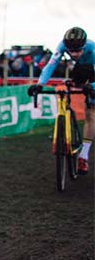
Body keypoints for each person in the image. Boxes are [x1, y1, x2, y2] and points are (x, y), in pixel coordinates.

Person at [29, 27, 95, 173]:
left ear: (84, 47)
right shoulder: (62, 46)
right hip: (80, 70)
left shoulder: (93, 48)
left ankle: (83, 156)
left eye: (78, 50)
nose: (74, 54)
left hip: (93, 69)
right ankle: (65, 121)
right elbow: (51, 65)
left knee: (91, 113)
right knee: (70, 86)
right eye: (71, 51)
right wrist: (40, 84)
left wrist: (92, 86)